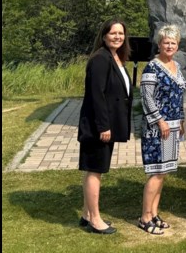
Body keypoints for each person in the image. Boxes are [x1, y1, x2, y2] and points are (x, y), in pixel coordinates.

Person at [77, 18, 133, 235]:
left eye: (121, 33)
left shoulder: (115, 57)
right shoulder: (101, 59)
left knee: (94, 168)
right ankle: (95, 220)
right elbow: (96, 96)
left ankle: (86, 213)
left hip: (105, 125)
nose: (117, 37)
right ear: (104, 36)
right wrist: (103, 126)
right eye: (113, 33)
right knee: (95, 170)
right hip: (98, 127)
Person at [137, 24, 186, 235]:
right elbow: (147, 97)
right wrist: (160, 121)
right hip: (157, 128)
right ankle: (144, 217)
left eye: (173, 42)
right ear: (159, 44)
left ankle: (154, 213)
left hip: (173, 127)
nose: (169, 45)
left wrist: (181, 120)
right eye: (166, 42)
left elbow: (179, 96)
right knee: (156, 172)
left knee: (164, 171)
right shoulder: (152, 67)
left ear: (177, 45)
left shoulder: (176, 65)